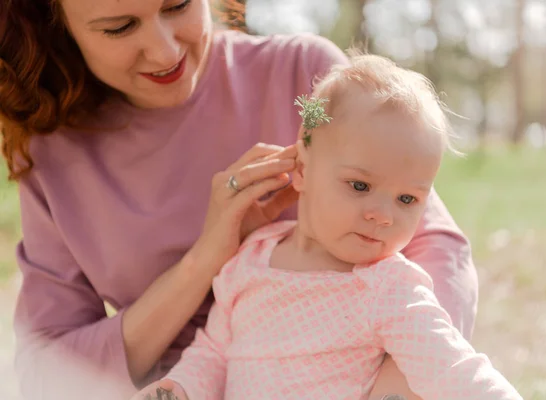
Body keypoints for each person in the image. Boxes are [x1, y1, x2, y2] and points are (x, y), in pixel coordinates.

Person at [0, 0, 478, 399]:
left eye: (178, 5)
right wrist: (206, 259)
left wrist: (396, 386)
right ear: (57, 24)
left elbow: (437, 247)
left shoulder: (304, 76)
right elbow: (46, 369)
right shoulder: (54, 150)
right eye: (120, 27)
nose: (165, 49)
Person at [133, 54, 521, 400]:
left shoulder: (387, 286)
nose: (383, 215)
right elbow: (214, 354)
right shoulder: (251, 257)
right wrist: (177, 389)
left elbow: (451, 367)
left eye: (407, 199)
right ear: (302, 168)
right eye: (360, 186)